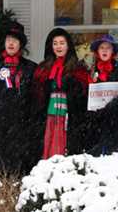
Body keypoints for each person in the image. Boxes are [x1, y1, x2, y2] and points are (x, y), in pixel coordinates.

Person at [0, 22, 37, 175]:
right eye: (8, 40)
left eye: (15, 40)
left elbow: (34, 98)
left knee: (20, 166)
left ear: (21, 45)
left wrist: (33, 123)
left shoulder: (30, 68)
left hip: (22, 125)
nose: (11, 43)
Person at [32, 28, 89, 159]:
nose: (58, 46)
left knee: (67, 146)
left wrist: (71, 87)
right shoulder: (43, 68)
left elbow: (83, 95)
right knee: (48, 143)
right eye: (55, 43)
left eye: (62, 43)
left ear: (68, 45)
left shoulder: (78, 68)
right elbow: (37, 94)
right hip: (49, 115)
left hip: (69, 116)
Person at [84, 34, 118, 155]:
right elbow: (86, 96)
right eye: (102, 48)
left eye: (108, 47)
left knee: (117, 160)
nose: (105, 50)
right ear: (97, 52)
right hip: (97, 124)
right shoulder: (90, 71)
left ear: (113, 51)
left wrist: (108, 108)